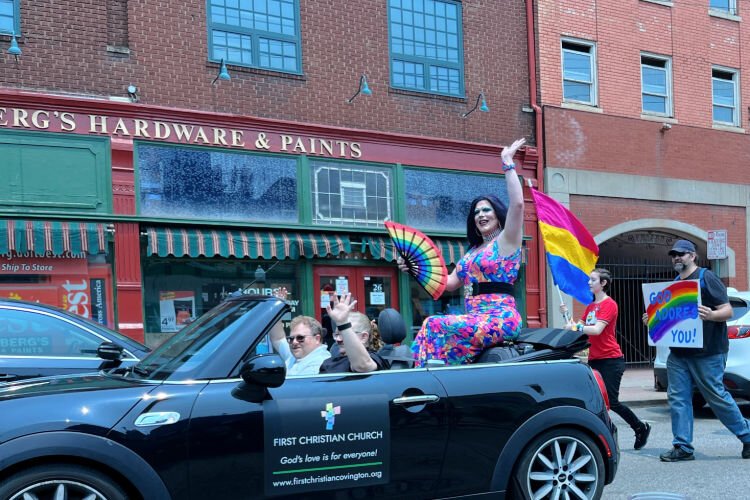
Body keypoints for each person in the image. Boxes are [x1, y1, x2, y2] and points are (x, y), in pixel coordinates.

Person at [404, 138, 526, 367]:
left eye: (486, 210)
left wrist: (508, 163)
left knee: (433, 324)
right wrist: (414, 268)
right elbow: (448, 284)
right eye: (476, 212)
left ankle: (420, 376)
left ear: (498, 214)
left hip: (500, 318)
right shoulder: (471, 253)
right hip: (474, 318)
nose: (481, 214)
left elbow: (518, 204)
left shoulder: (506, 240)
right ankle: (421, 371)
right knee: (430, 327)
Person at [642, 239, 750, 461]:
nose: (676, 258)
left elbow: (727, 310)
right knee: (678, 398)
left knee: (717, 397)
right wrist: (653, 318)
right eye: (674, 254)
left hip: (708, 352)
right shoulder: (674, 284)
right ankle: (682, 446)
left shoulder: (706, 277)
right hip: (679, 354)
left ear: (692, 256)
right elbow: (671, 319)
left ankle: (747, 436)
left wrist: (711, 315)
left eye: (681, 254)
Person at [561, 268, 651, 450]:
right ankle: (605, 438)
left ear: (603, 283)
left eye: (592, 280)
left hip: (611, 360)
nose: (588, 283)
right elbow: (581, 327)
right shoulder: (591, 306)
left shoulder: (610, 305)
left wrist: (576, 328)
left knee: (611, 401)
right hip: (595, 359)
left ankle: (640, 427)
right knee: (597, 402)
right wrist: (567, 317)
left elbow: (595, 330)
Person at [319, 293, 390, 373]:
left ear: (364, 337)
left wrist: (343, 323)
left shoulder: (374, 358)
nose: (338, 340)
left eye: (344, 334)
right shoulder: (328, 362)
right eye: (337, 335)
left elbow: (362, 366)